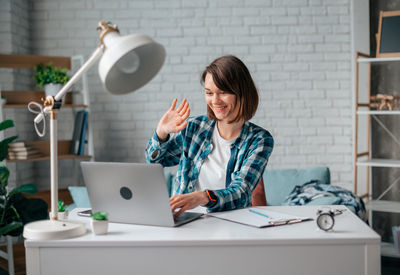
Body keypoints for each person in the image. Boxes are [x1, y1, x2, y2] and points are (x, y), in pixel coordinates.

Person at [146, 55, 274, 218]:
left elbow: (241, 192)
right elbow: (155, 161)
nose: (215, 101)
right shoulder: (195, 128)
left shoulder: (259, 140)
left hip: (231, 224)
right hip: (183, 221)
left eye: (223, 92)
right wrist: (161, 133)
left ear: (242, 93)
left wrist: (202, 197)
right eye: (209, 92)